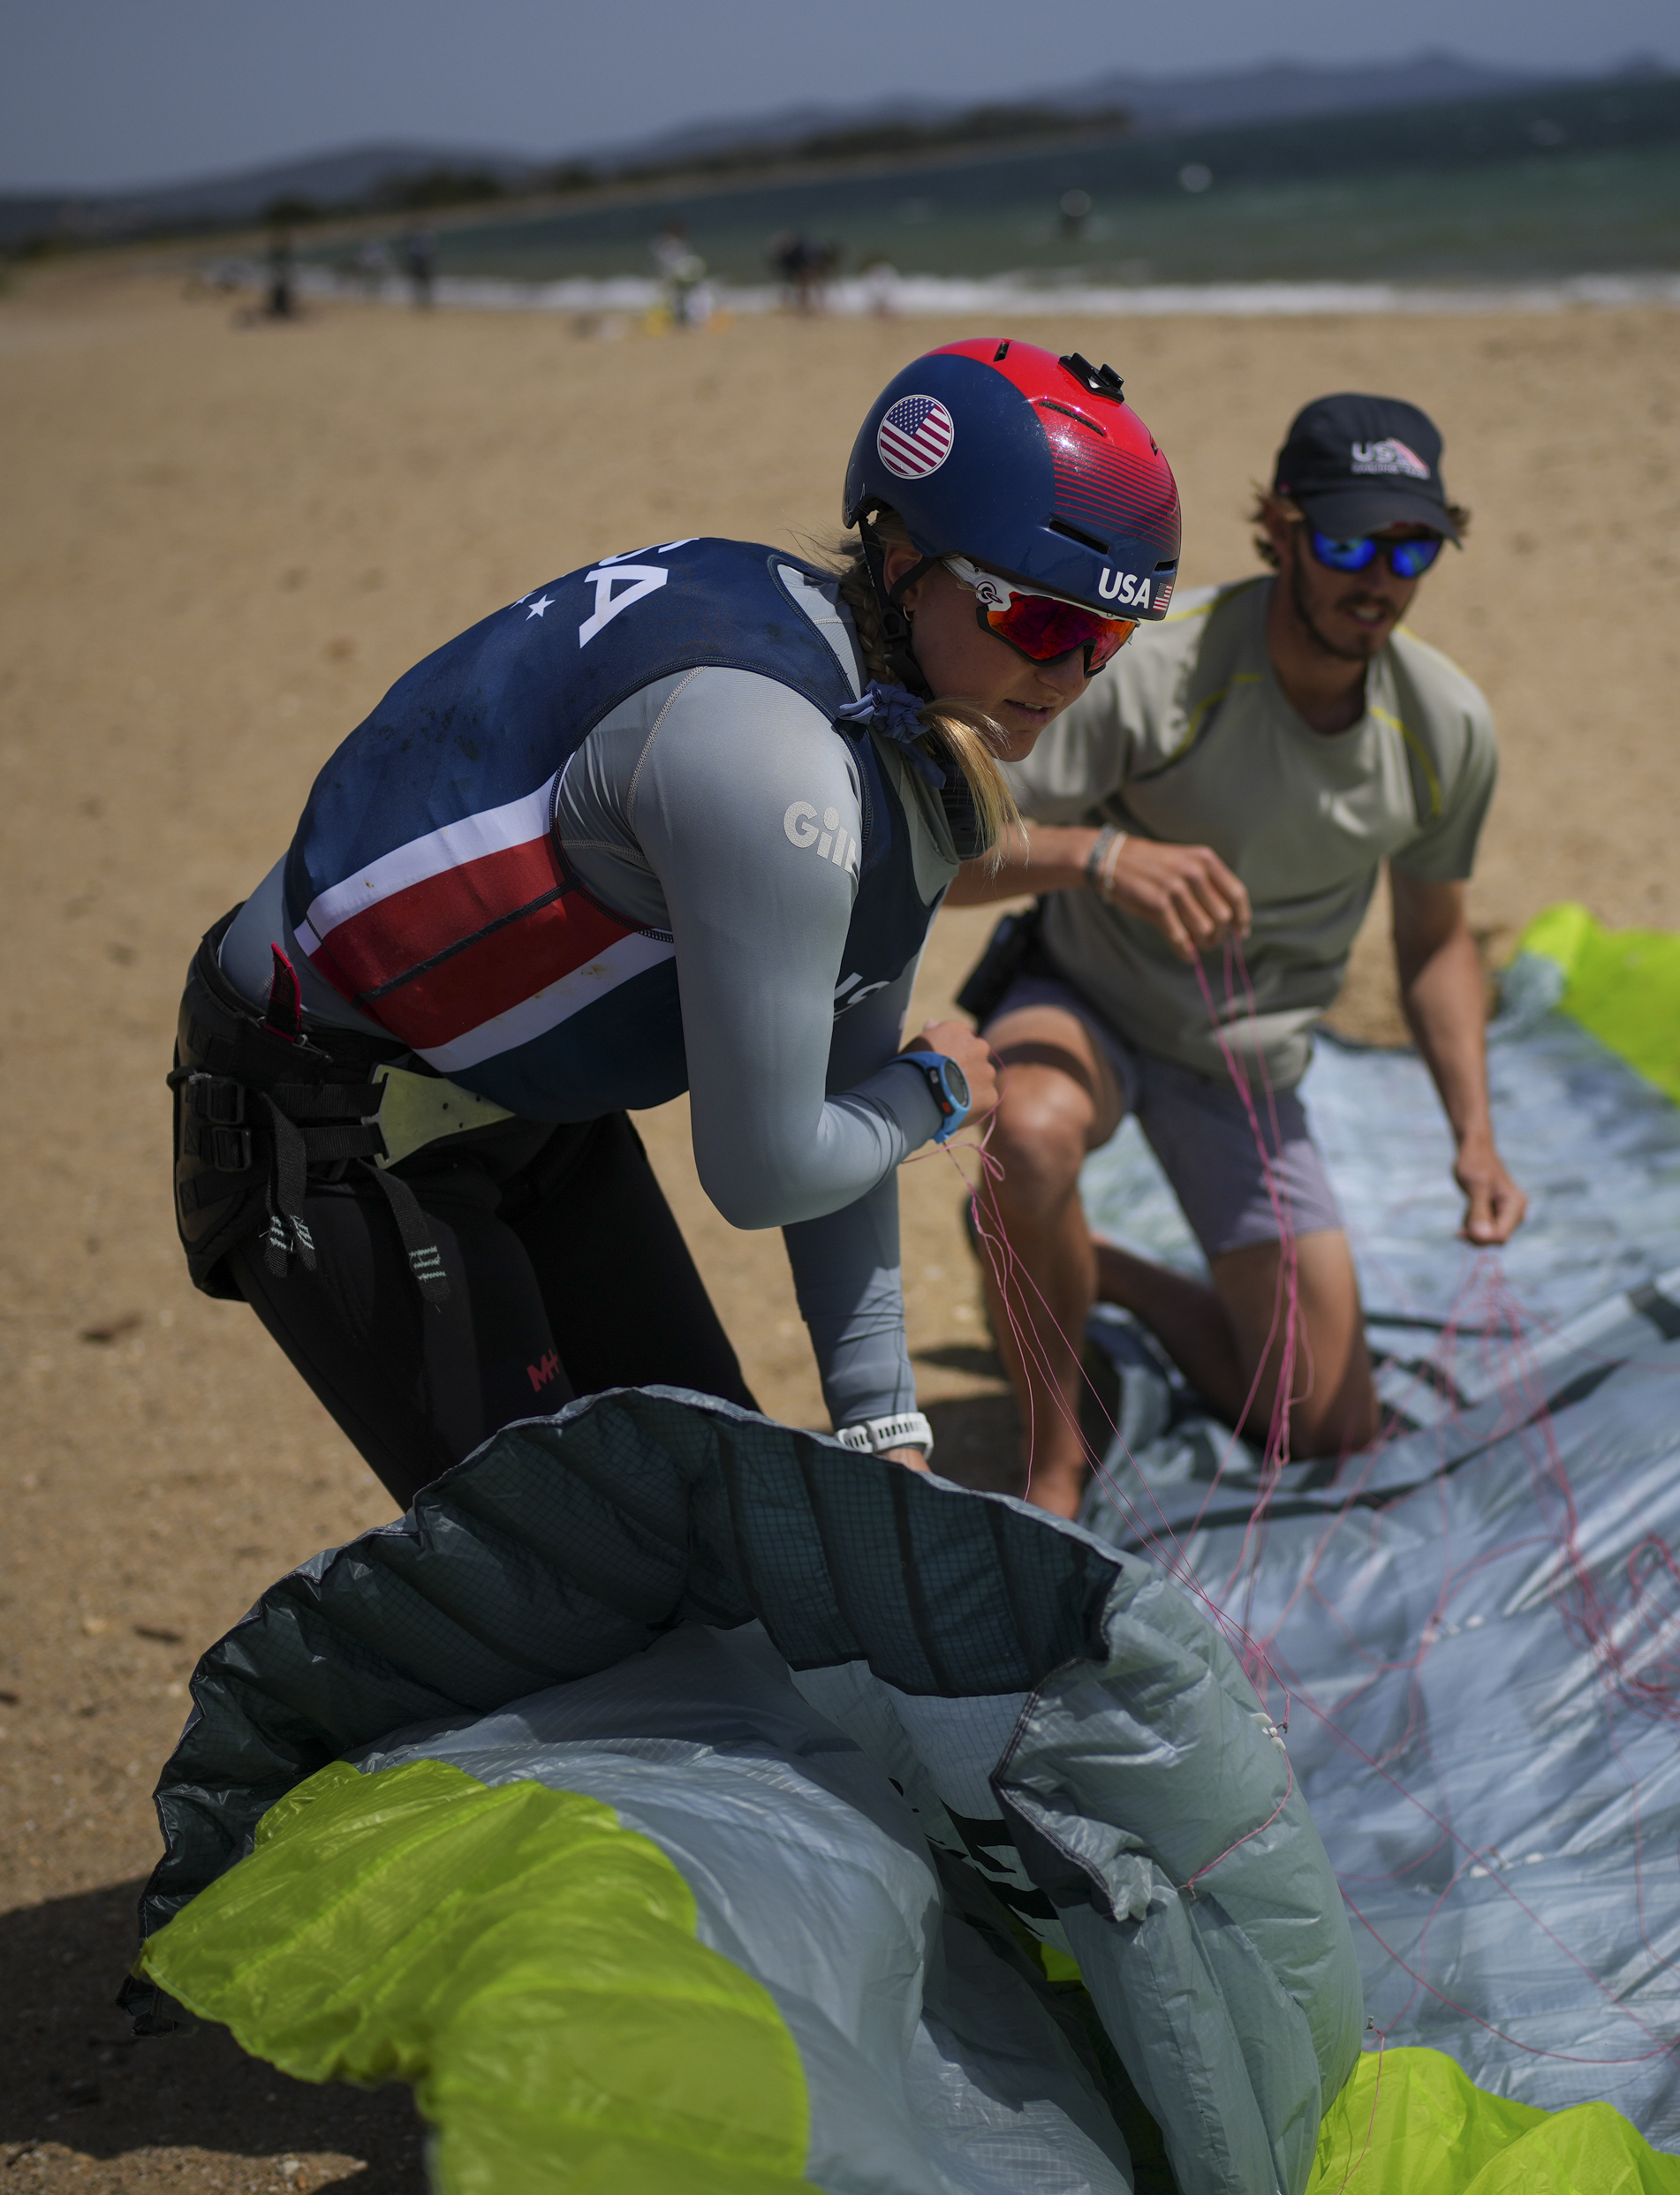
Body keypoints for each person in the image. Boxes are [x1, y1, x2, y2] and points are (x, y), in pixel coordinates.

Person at [166, 340, 1180, 1502]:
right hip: (328, 1110)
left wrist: (883, 1429)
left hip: (523, 1098)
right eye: (1041, 625)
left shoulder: (914, 727)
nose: (1069, 677)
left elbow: (841, 1081)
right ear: (902, 560)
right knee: (557, 1599)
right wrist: (938, 1091)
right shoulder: (775, 768)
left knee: (717, 1522)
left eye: (1108, 640)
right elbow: (767, 1168)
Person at [957, 394, 1524, 1516]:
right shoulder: (1155, 672)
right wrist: (1102, 857)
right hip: (1087, 999)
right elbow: (955, 856)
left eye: (1411, 548)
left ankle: (1083, 1265)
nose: (1379, 578)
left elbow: (1434, 941)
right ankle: (1057, 1462)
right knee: (1026, 1136)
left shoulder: (1445, 726)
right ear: (1277, 523)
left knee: (1324, 1424)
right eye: (1347, 541)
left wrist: (1476, 1138)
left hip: (1243, 1062)